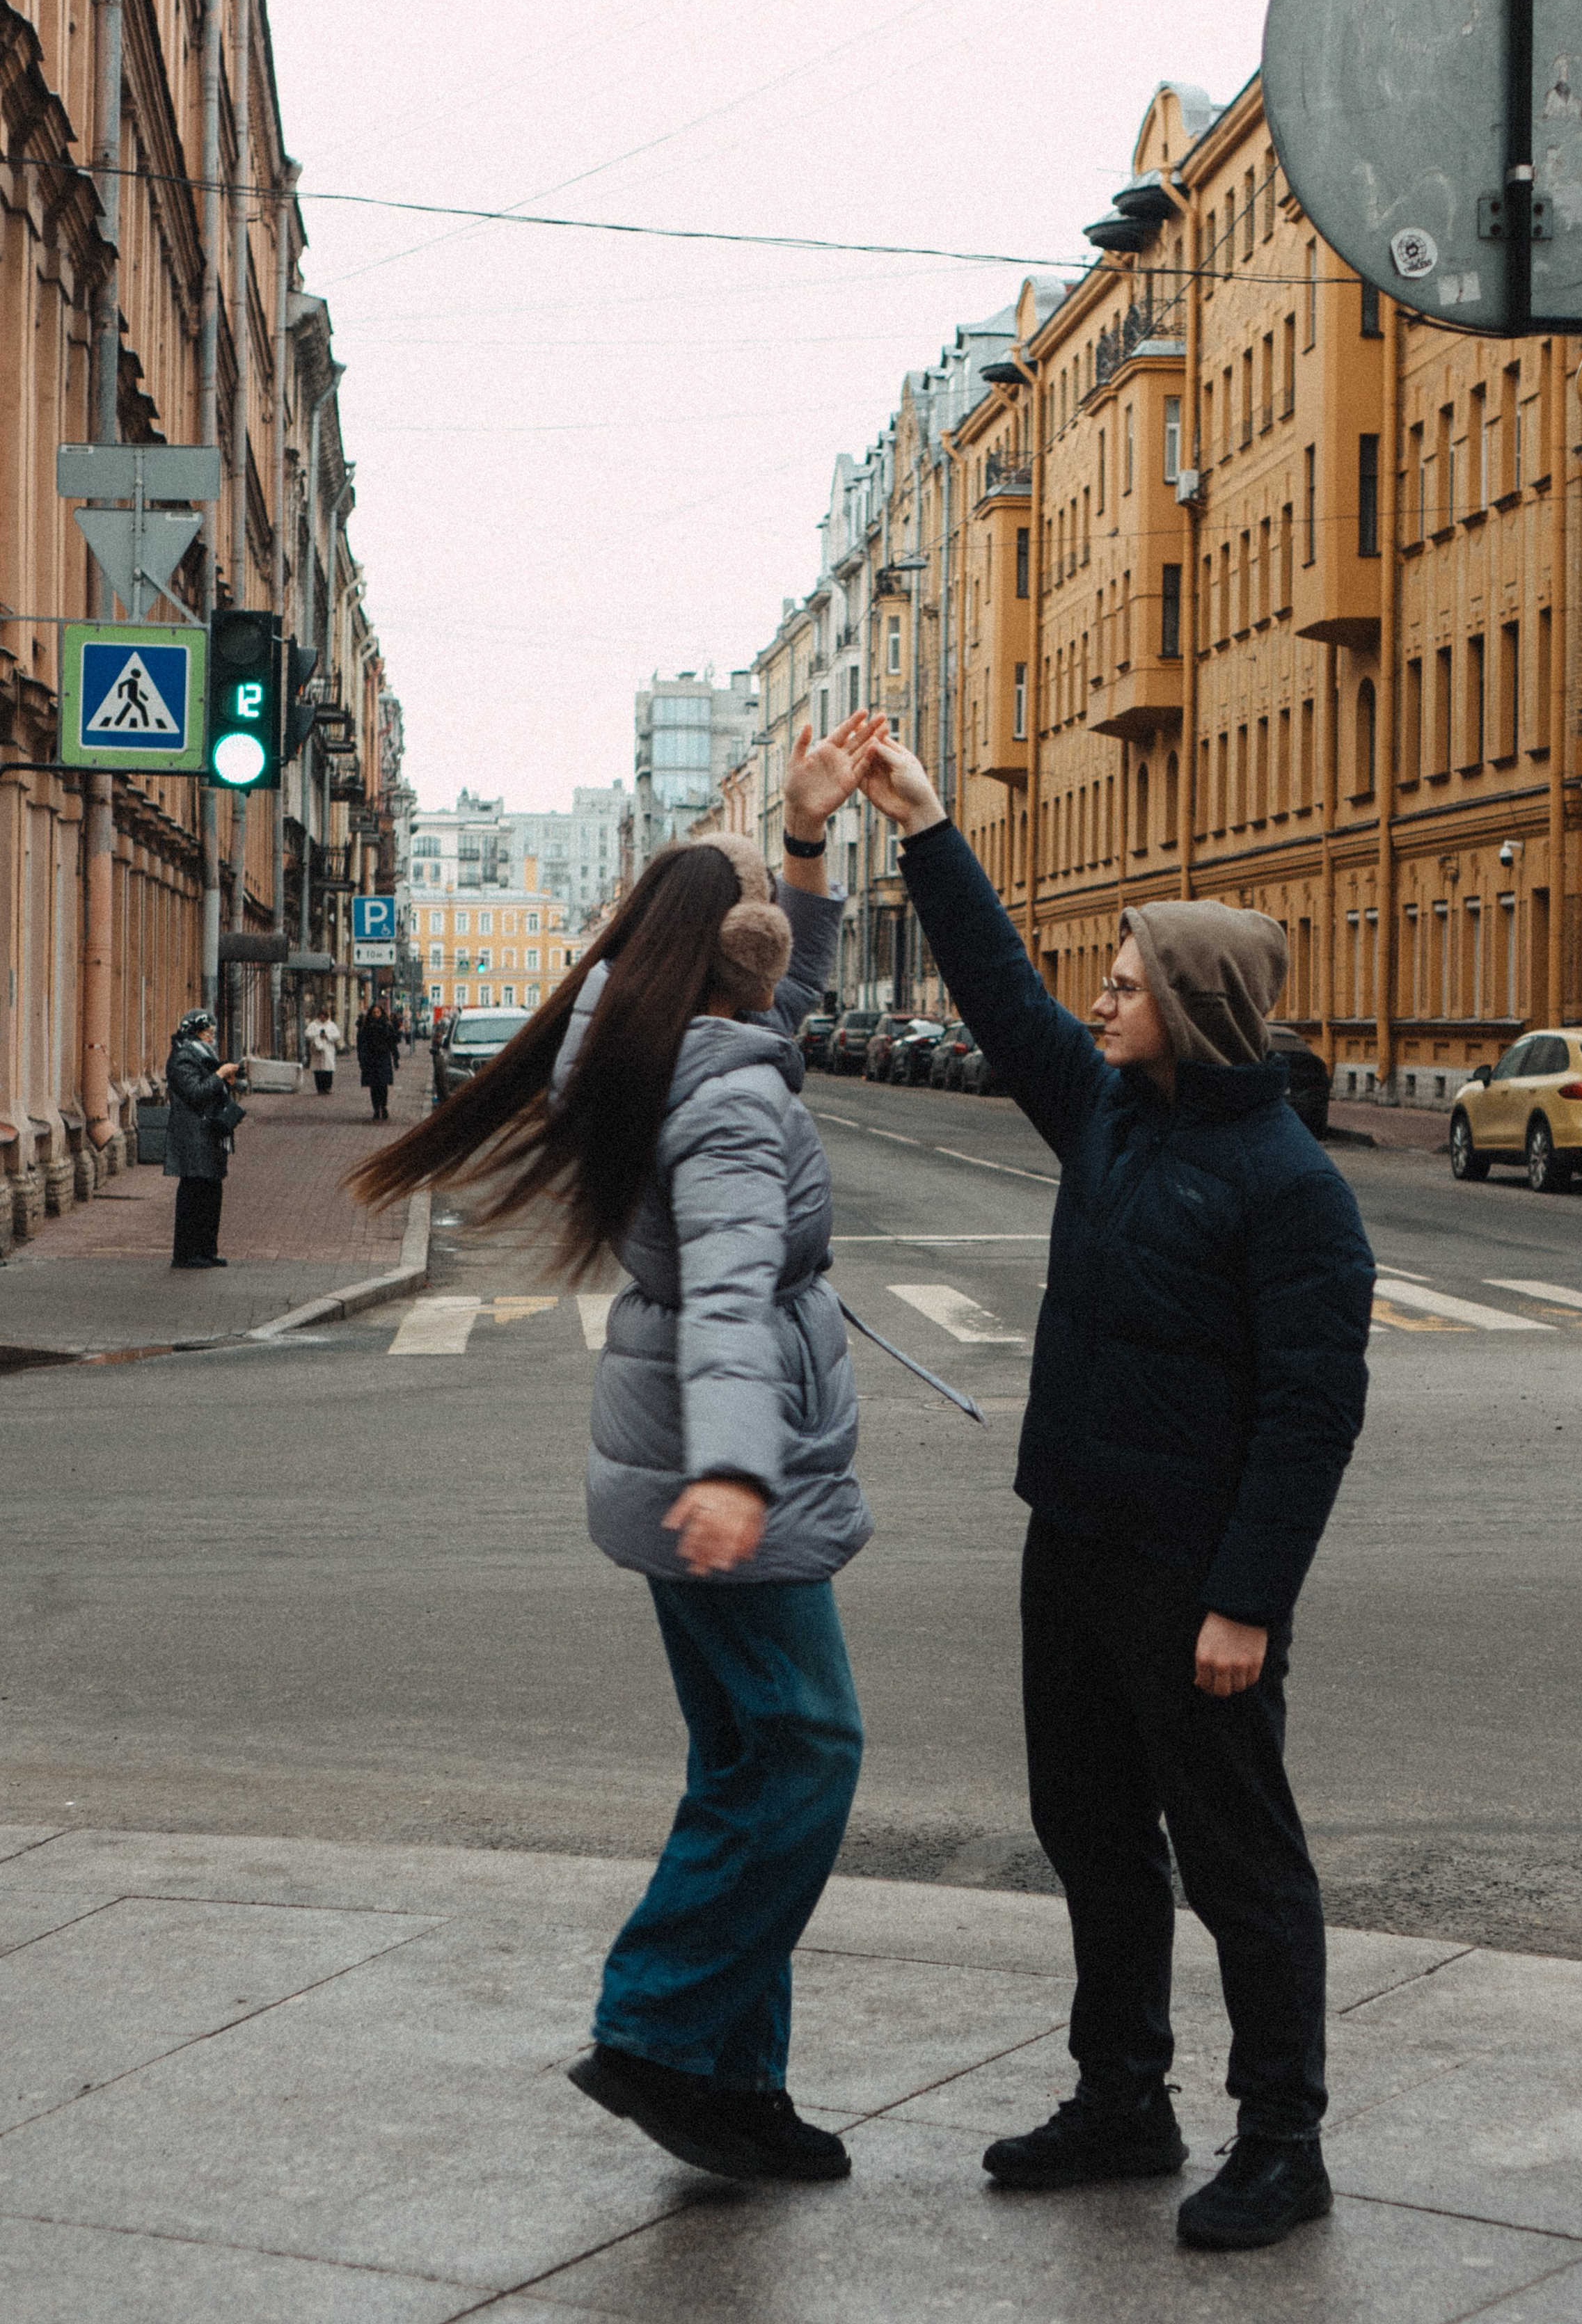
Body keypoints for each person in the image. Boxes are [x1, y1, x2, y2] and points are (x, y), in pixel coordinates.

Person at [855, 733, 1374, 2256]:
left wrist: (1244, 1602)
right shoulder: (1109, 1121)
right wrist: (929, 832)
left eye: (1129, 982)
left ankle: (1282, 2144)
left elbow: (1311, 1417)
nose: (1102, 998)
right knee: (1084, 1826)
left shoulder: (1290, 1187)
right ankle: (1120, 2100)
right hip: (1071, 1543)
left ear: (1193, 1010)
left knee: (1240, 1865)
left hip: (1192, 1577)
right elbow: (1004, 1000)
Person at [353, 713, 885, 2186]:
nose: (783, 932)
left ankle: (734, 2086)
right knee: (805, 1751)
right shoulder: (717, 1085)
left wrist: (798, 840)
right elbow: (725, 1292)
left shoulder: (654, 1039)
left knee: (744, 1763)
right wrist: (735, 1469)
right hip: (721, 1459)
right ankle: (655, 2028)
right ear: (730, 953)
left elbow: (798, 992)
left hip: (668, 1445)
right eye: (766, 914)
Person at [164, 1010, 246, 1270]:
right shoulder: (182, 1058)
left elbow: (211, 1089)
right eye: (207, 1031)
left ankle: (208, 1250)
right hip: (193, 1135)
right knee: (194, 1193)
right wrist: (219, 1076)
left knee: (212, 1193)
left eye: (212, 1031)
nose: (211, 1036)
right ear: (194, 1032)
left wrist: (227, 1080)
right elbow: (196, 1093)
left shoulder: (204, 1055)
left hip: (210, 1133)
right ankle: (187, 1254)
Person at [356, 997, 401, 1122]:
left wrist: (396, 1058)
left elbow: (393, 1043)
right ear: (371, 1014)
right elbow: (361, 1045)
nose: (376, 1015)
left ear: (381, 1013)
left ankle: (384, 1107)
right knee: (374, 1086)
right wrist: (361, 1059)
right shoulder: (366, 1028)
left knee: (383, 1085)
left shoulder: (387, 1026)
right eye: (374, 1013)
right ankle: (376, 1109)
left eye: (378, 1013)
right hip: (370, 1060)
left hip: (383, 1058)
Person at [306, 1009, 342, 1095]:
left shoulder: (331, 1025)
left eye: (324, 1016)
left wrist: (327, 1036)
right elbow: (307, 1034)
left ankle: (327, 1087)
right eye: (321, 1015)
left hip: (328, 1050)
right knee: (318, 1071)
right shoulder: (313, 1025)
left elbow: (337, 1035)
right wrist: (317, 1035)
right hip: (317, 1050)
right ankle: (320, 1088)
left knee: (328, 1070)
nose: (322, 1017)